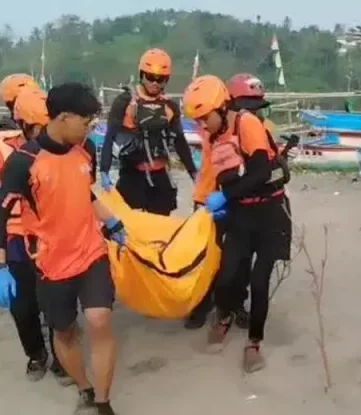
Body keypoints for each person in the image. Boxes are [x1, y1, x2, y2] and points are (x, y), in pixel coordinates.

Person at [0, 82, 126, 415]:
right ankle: (84, 388)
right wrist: (0, 266)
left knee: (98, 321)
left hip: (91, 252)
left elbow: (87, 192)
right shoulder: (24, 162)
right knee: (63, 333)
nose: (90, 128)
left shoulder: (86, 151)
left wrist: (113, 222)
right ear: (63, 118)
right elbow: (0, 215)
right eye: (86, 120)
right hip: (51, 263)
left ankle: (105, 401)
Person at [182, 75, 292, 373]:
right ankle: (225, 317)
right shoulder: (214, 135)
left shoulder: (247, 124)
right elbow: (221, 176)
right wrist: (217, 203)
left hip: (270, 213)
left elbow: (258, 172)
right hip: (240, 213)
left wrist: (225, 197)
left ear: (222, 106)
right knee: (227, 273)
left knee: (259, 281)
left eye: (205, 118)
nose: (203, 126)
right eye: (198, 120)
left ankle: (254, 342)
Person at [0, 80, 71, 385]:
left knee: (58, 300)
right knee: (22, 305)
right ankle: (36, 354)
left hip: (52, 234)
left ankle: (62, 356)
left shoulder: (64, 147)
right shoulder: (1, 154)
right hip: (15, 236)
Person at [99, 48, 197, 215]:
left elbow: (179, 141)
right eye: (150, 77)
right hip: (131, 176)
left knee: (160, 231)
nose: (155, 83)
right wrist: (104, 170)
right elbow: (110, 136)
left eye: (161, 80)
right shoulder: (124, 101)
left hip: (160, 177)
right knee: (128, 228)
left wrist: (193, 172)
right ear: (141, 74)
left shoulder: (169, 106)